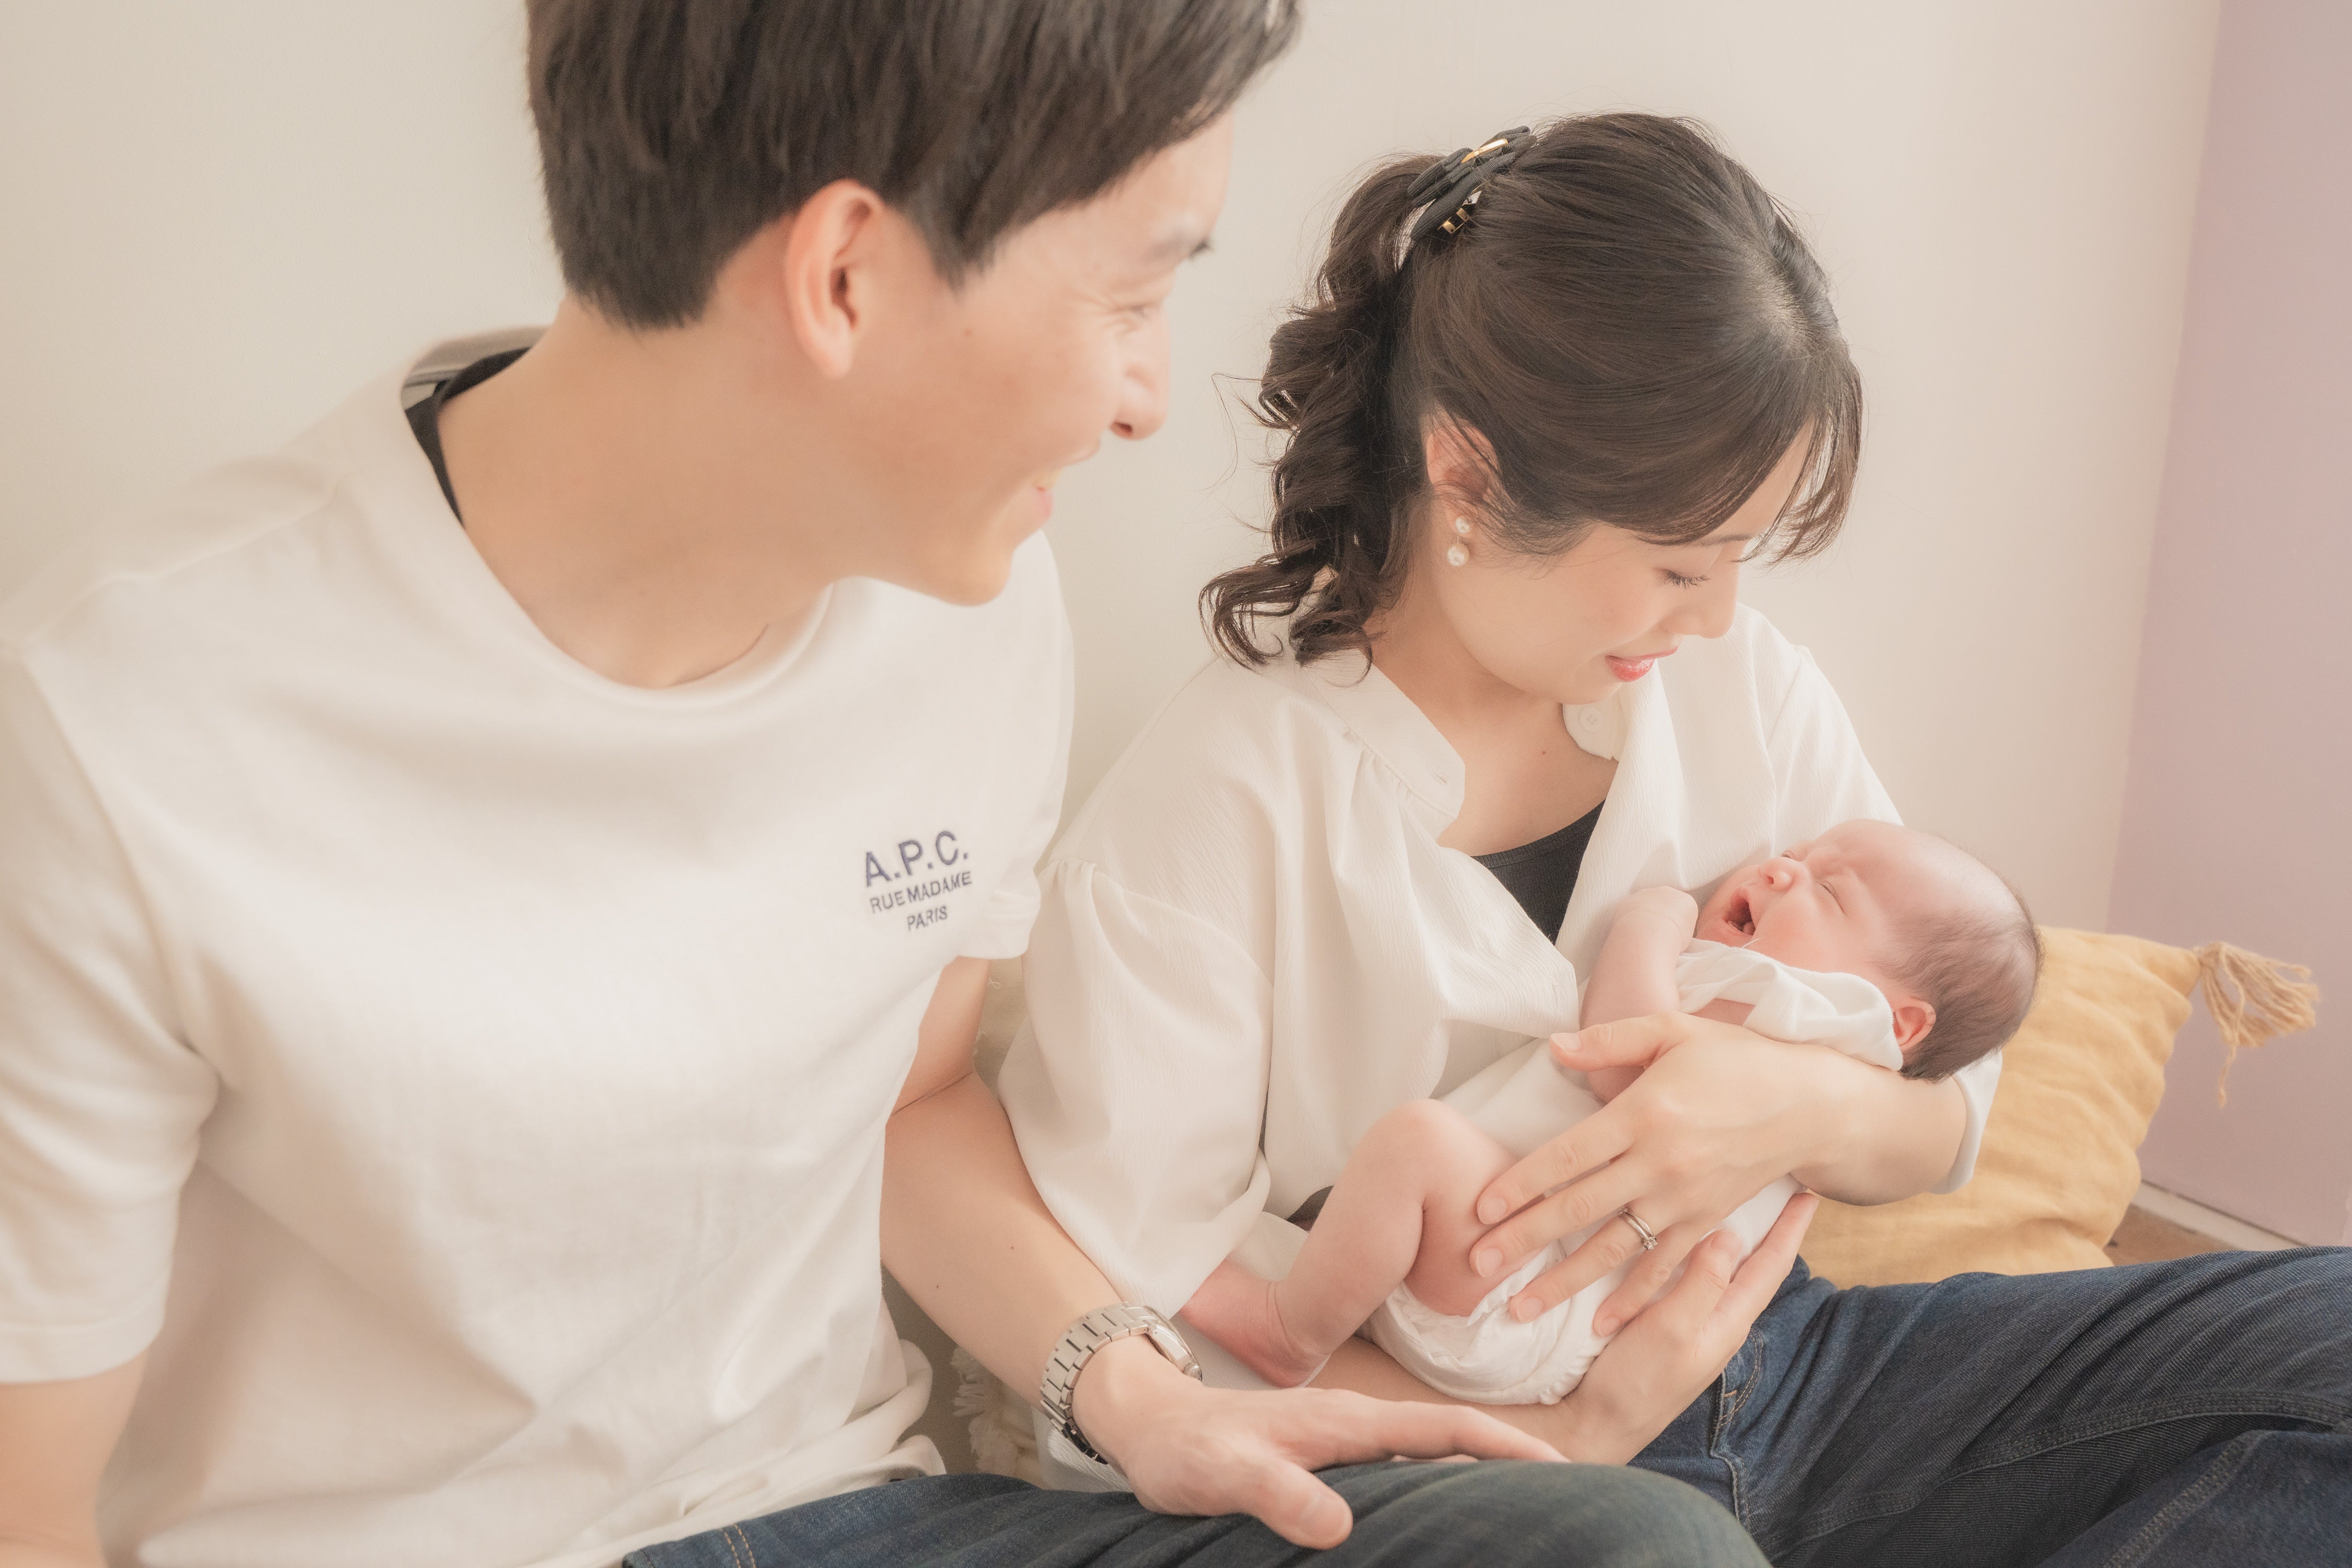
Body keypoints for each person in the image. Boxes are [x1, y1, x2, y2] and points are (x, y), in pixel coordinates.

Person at [0, 8, 1788, 1568]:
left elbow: (915, 1104)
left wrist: (1148, 1400)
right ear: (844, 276)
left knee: (1626, 1550)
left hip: (850, 1518)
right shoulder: (128, 721)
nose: (1152, 396)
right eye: (1134, 292)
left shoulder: (971, 602)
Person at [999, 112, 2352, 1564]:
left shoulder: (1735, 686)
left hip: (1797, 1371)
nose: (1717, 618)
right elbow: (1150, 1321)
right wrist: (1575, 1438)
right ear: (1466, 475)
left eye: (1738, 562)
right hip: (1455, 1462)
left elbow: (1944, 1108)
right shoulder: (1214, 807)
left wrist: (1787, 1110)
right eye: (1676, 567)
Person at [1183, 821, 2040, 1402]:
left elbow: (1626, 1067)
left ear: (1899, 1023)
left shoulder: (1811, 1012)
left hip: (1523, 1291)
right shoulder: (1814, 1030)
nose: (1785, 869)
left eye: (1833, 892)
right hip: (1540, 1315)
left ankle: (1289, 1335)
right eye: (1799, 854)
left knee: (1417, 1144)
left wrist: (1652, 922)